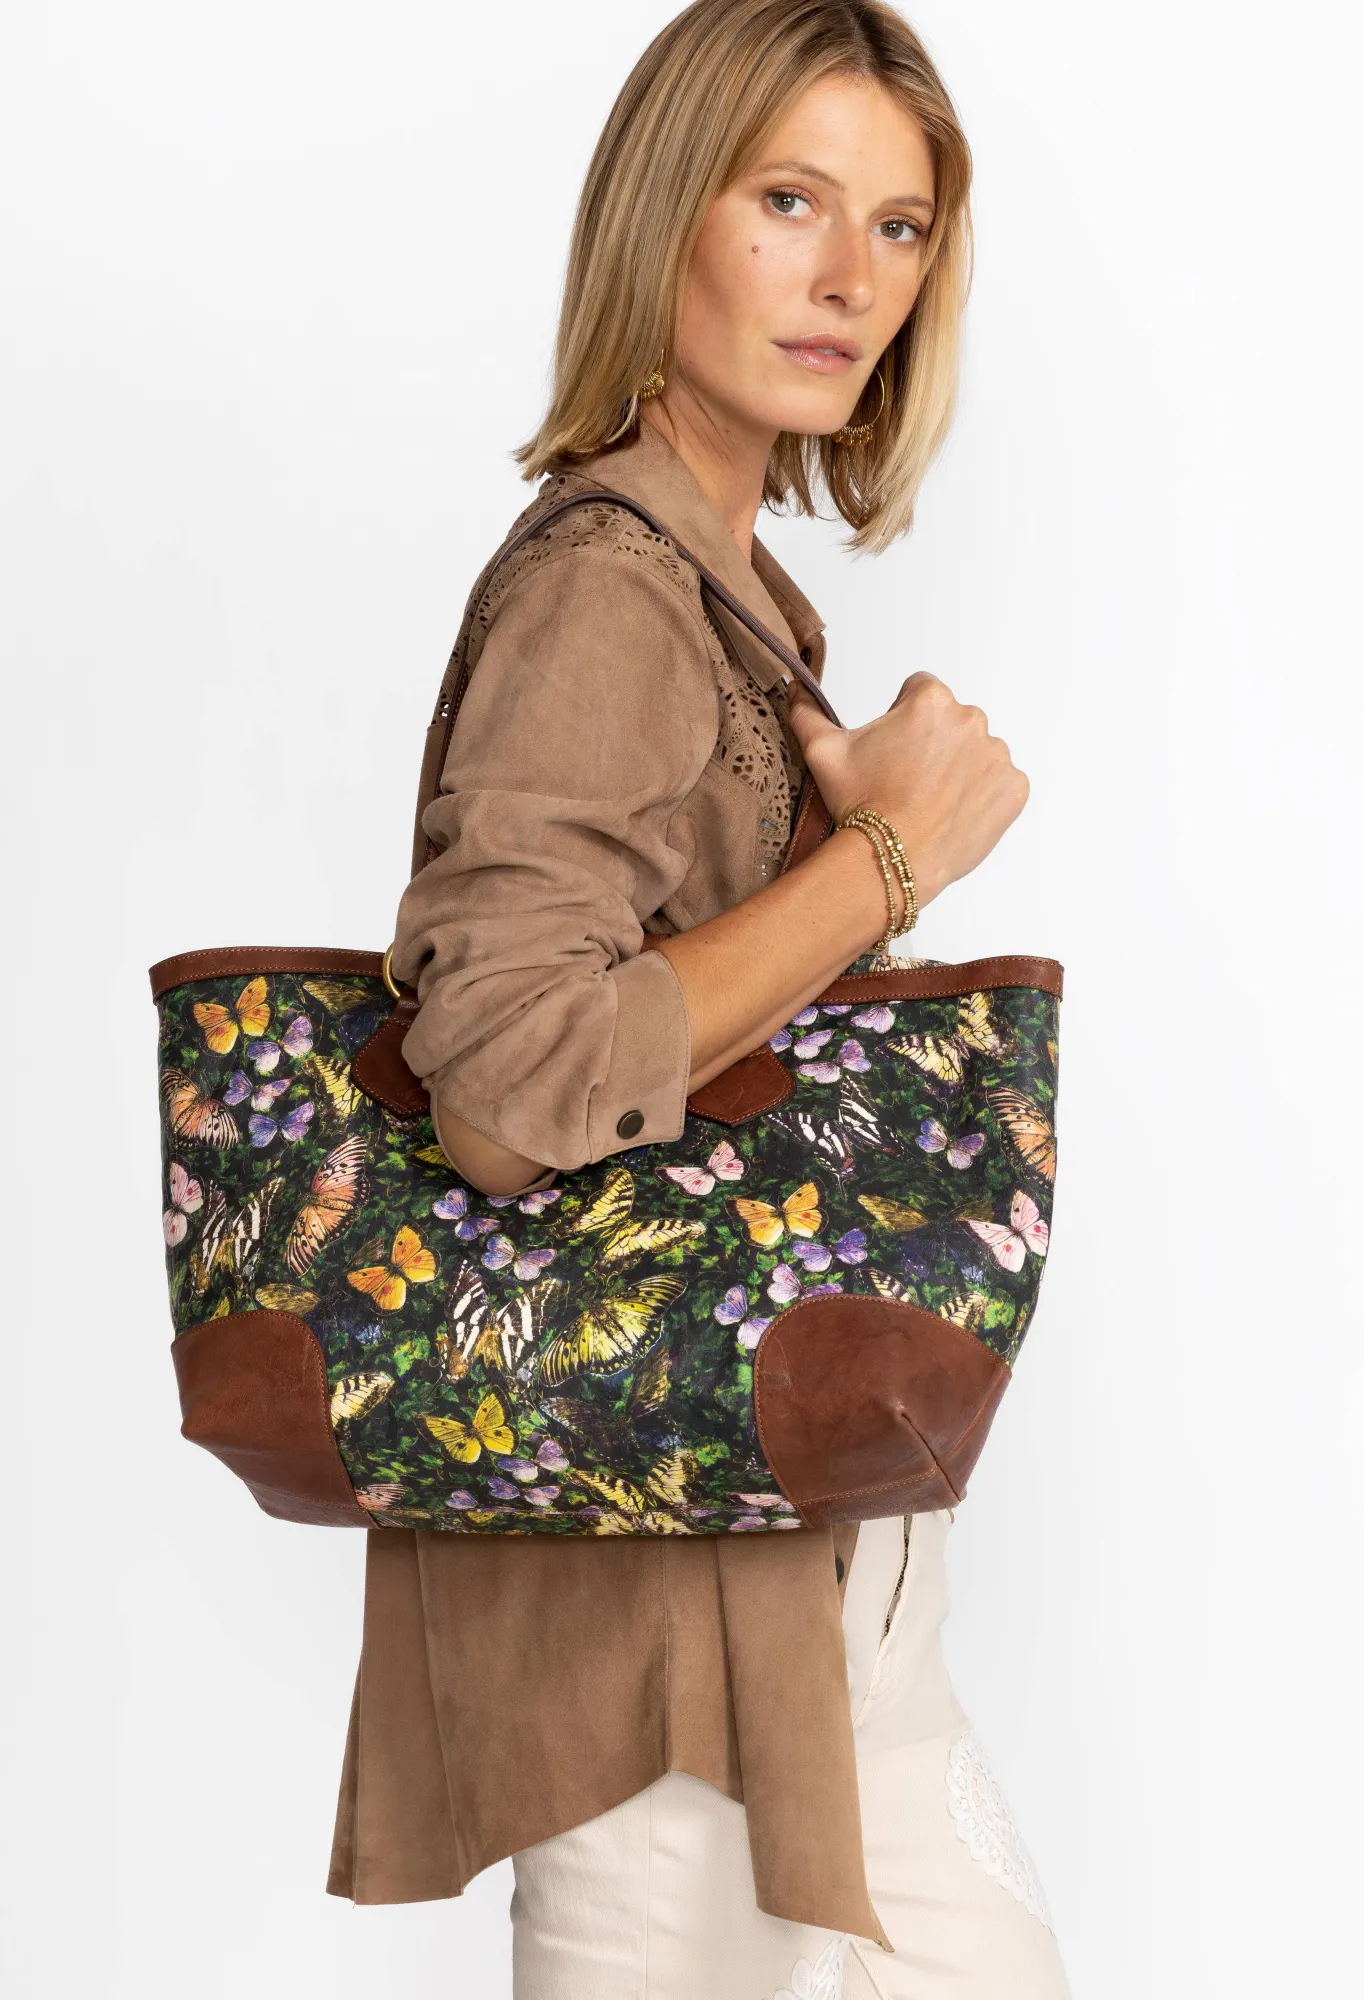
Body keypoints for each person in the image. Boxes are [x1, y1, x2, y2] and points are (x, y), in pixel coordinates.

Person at [327, 3, 1071, 1993]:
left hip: (800, 1584)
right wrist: (886, 860)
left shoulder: (729, 591)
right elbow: (507, 1088)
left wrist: (845, 823)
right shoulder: (607, 586)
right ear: (668, 216)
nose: (851, 280)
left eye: (898, 227)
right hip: (650, 1622)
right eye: (790, 202)